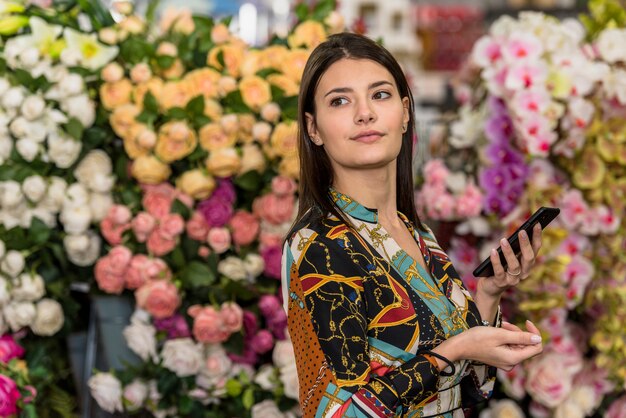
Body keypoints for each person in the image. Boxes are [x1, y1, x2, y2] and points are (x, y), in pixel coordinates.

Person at [281, 32, 544, 418]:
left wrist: (489, 295)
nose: (364, 113)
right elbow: (340, 414)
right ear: (314, 128)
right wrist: (454, 350)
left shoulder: (415, 233)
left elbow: (469, 388)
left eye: (380, 94)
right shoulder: (319, 246)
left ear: (405, 112)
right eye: (340, 100)